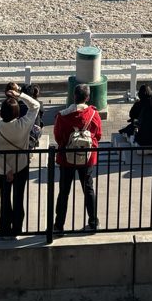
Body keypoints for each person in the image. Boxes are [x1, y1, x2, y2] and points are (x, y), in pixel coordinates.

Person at [0, 87, 41, 237]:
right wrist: (20, 95)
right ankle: (17, 228)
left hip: (2, 170)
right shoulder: (23, 124)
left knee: (5, 199)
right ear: (17, 112)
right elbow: (35, 105)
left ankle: (5, 229)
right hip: (21, 166)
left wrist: (7, 169)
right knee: (19, 198)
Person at [53, 84, 102, 232]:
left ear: (74, 96)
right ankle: (93, 221)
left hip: (66, 157)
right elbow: (98, 135)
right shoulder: (93, 114)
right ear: (87, 97)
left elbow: (58, 137)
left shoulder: (62, 116)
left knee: (64, 191)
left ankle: (59, 225)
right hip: (87, 156)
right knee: (88, 188)